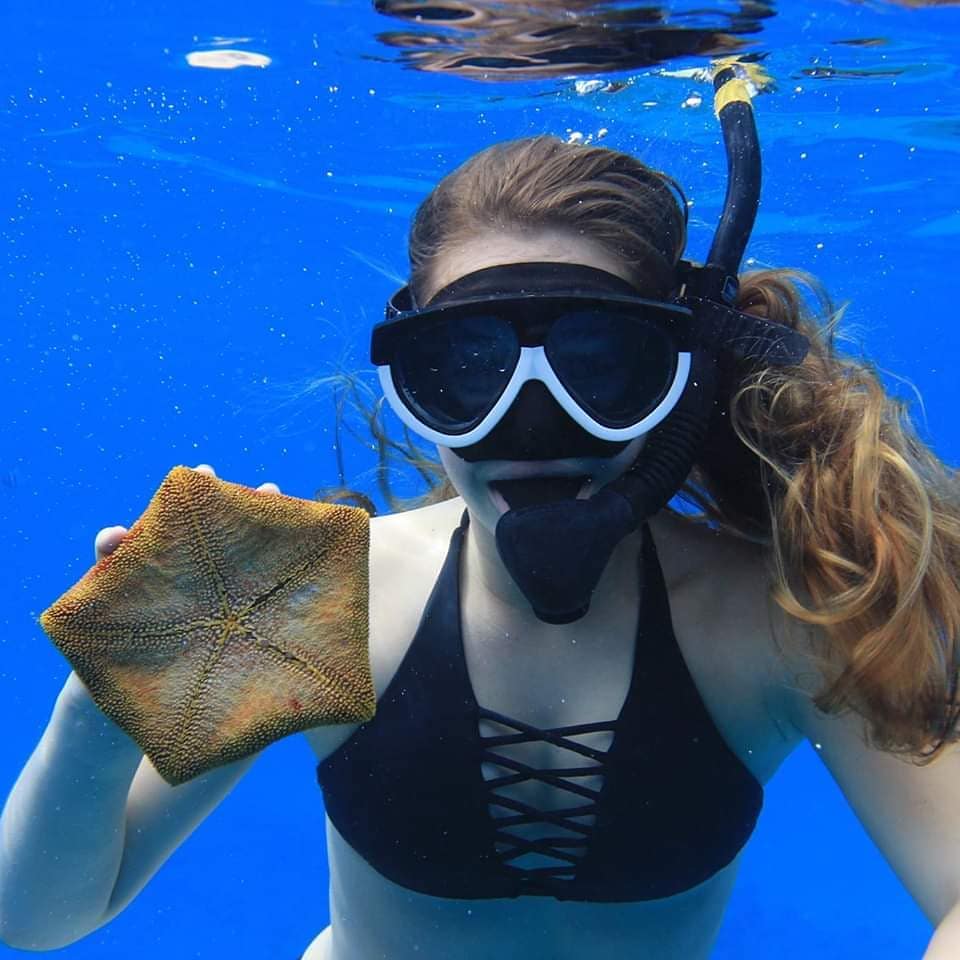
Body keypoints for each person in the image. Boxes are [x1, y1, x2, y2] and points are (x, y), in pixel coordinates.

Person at [4, 102, 960, 959]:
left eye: (597, 366)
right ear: (412, 382)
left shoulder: (777, 620)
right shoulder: (315, 599)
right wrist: (105, 702)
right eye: (467, 367)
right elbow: (39, 917)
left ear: (681, 373)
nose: (529, 427)